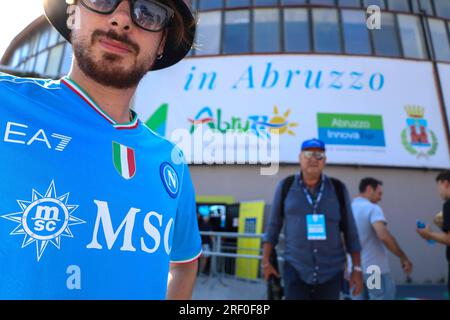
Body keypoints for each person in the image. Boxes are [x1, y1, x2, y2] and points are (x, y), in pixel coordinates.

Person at [0, 0, 202, 299]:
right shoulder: (6, 105)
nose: (121, 19)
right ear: (72, 12)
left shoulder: (170, 160)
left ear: (162, 42)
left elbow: (184, 264)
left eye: (148, 11)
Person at [262, 138, 363, 300]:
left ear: (325, 160)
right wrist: (266, 261)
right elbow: (273, 226)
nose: (313, 159)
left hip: (330, 273)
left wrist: (357, 270)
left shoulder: (337, 188)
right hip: (296, 269)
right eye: (308, 154)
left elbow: (351, 232)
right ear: (300, 158)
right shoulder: (285, 187)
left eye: (319, 155)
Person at [352, 178, 413, 300]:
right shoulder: (372, 208)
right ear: (369, 189)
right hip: (373, 269)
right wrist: (403, 257)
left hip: (354, 270)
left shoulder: (348, 208)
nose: (380, 198)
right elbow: (383, 235)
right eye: (379, 193)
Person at [416, 171, 450, 297]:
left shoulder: (448, 205)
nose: (438, 191)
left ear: (445, 183)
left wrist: (428, 234)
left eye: (439, 186)